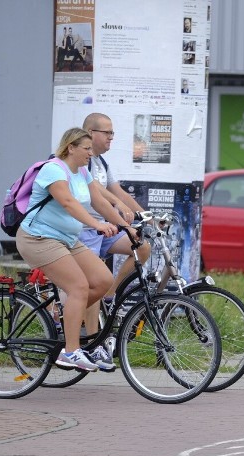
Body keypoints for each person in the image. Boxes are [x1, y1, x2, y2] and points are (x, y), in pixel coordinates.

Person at [15, 127, 125, 372]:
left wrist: (125, 225)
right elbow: (67, 202)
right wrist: (96, 224)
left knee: (102, 280)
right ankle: (71, 352)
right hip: (39, 238)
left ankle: (69, 315)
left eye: (90, 149)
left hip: (66, 238)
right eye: (85, 149)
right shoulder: (54, 169)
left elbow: (98, 200)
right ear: (70, 148)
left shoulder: (83, 171)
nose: (90, 153)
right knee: (79, 287)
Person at [79, 113, 151, 354]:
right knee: (93, 284)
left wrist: (147, 215)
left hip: (104, 230)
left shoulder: (102, 163)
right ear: (90, 133)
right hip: (84, 230)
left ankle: (110, 296)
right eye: (107, 132)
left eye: (112, 133)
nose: (111, 137)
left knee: (141, 247)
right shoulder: (83, 160)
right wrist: (119, 211)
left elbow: (118, 192)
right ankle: (92, 342)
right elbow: (96, 191)